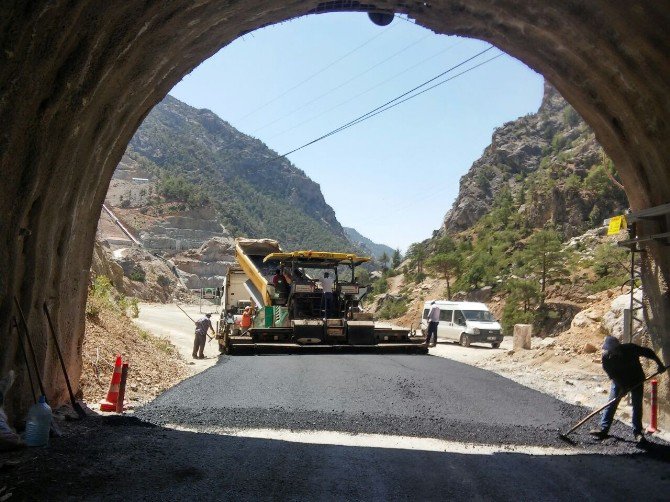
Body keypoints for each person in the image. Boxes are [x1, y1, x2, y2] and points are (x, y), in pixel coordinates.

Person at [589, 336, 666, 441]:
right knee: (612, 403)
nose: (612, 352)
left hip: (637, 380)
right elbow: (613, 376)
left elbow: (649, 352)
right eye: (609, 350)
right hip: (619, 381)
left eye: (614, 349)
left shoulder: (630, 348)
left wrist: (660, 364)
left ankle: (638, 433)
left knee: (637, 406)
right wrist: (623, 388)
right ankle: (604, 429)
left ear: (618, 347)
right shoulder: (606, 358)